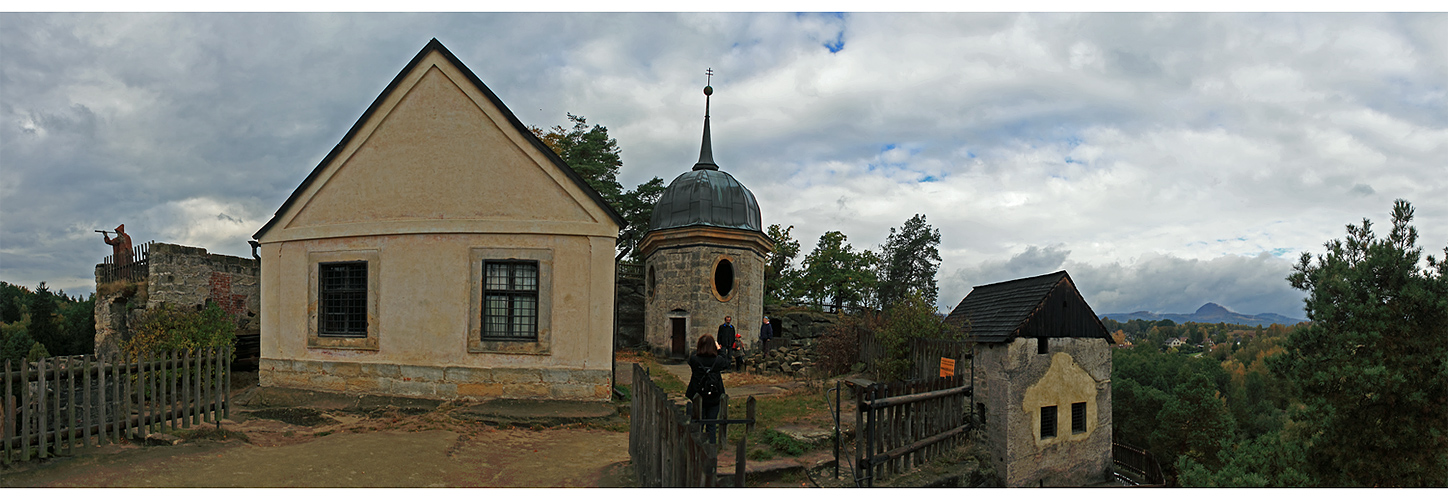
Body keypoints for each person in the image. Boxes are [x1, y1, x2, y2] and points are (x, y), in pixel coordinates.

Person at [685, 334, 730, 443]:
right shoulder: (718, 360)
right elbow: (726, 362)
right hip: (714, 395)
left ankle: (697, 446)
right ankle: (711, 449)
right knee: (711, 425)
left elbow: (690, 358)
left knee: (697, 423)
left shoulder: (694, 359)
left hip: (697, 394)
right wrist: (720, 349)